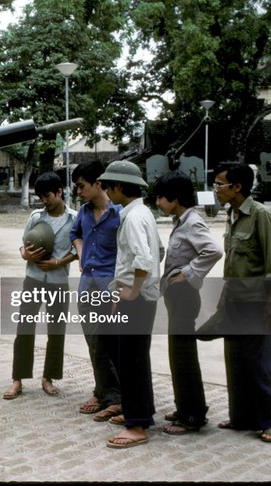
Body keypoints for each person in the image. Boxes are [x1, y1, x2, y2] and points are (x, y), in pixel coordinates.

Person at [212, 161, 271, 443]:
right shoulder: (233, 215)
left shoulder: (261, 215)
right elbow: (232, 263)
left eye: (220, 184)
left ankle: (269, 421)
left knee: (258, 363)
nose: (215, 189)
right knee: (236, 361)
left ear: (237, 187)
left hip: (256, 303)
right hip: (234, 301)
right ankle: (241, 417)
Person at [153, 171, 222, 435]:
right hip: (177, 296)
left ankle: (192, 416)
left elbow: (213, 251)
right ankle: (186, 408)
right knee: (179, 354)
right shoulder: (181, 221)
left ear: (175, 198)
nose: (157, 202)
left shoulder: (192, 222)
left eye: (161, 197)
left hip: (184, 296)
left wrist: (189, 273)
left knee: (183, 356)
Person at [99, 160, 160, 449]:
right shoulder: (140, 212)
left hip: (136, 299)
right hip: (136, 296)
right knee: (133, 358)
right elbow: (153, 254)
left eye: (109, 186)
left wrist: (133, 291)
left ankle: (136, 425)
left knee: (132, 360)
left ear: (119, 187)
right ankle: (140, 412)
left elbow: (144, 260)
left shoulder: (134, 217)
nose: (107, 191)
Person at [4, 172, 78, 400]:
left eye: (48, 196)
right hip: (33, 279)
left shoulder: (74, 219)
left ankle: (48, 378)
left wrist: (59, 261)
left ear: (59, 192)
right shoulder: (36, 217)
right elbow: (23, 245)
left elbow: (78, 249)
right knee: (24, 328)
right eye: (41, 197)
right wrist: (24, 254)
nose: (44, 201)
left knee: (56, 331)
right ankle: (17, 379)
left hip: (59, 281)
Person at [69, 161, 123, 419]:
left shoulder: (121, 213)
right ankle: (102, 391)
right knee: (94, 343)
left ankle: (115, 397)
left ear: (98, 183)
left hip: (110, 287)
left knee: (110, 344)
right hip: (86, 286)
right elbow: (74, 234)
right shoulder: (84, 211)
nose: (78, 191)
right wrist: (80, 252)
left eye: (81, 186)